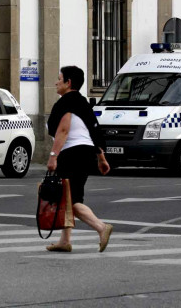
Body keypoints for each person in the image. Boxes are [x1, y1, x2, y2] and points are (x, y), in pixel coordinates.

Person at [45, 65, 113, 253]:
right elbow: (93, 130)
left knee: (70, 201)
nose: (56, 82)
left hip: (71, 154)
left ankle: (101, 227)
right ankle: (65, 241)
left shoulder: (66, 102)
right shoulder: (83, 102)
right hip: (86, 153)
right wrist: (101, 157)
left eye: (59, 78)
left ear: (68, 83)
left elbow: (63, 130)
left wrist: (53, 156)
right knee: (68, 198)